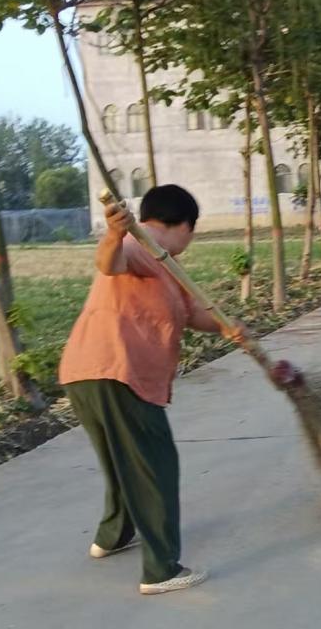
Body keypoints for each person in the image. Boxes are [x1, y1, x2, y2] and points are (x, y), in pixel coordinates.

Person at [58, 184, 236, 596]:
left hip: (85, 371)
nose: (191, 240)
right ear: (184, 224)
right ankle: (161, 570)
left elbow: (192, 313)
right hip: (120, 373)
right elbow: (109, 262)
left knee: (123, 460)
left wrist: (230, 326)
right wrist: (113, 233)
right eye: (193, 231)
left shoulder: (166, 264)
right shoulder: (144, 244)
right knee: (155, 467)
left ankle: (113, 535)